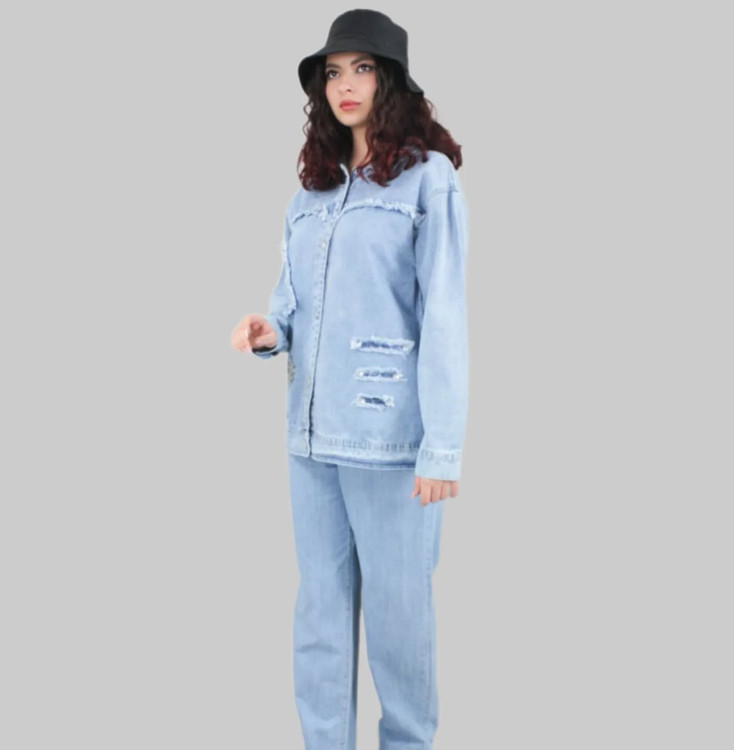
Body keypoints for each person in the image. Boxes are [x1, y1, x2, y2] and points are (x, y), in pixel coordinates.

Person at [231, 9, 469, 749]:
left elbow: (444, 314)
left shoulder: (428, 182)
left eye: (362, 68)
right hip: (310, 438)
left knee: (401, 623)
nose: (345, 84)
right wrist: (269, 331)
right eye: (333, 72)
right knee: (319, 621)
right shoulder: (311, 194)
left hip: (390, 443)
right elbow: (291, 304)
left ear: (390, 80)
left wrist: (442, 448)